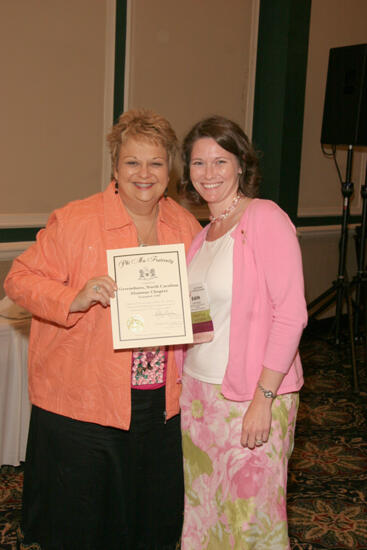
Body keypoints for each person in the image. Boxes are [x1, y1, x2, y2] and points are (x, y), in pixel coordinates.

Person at [4, 108, 202, 550]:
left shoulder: (185, 225)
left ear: (169, 168)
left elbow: (198, 303)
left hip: (160, 402)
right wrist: (72, 298)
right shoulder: (75, 221)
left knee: (149, 521)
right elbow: (18, 279)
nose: (144, 174)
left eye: (155, 162)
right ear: (115, 167)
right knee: (83, 524)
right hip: (84, 405)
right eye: (132, 162)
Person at [176, 115, 308, 549]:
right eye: (198, 163)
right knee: (205, 510)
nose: (208, 173)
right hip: (200, 398)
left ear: (240, 164)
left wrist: (263, 399)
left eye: (220, 161)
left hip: (250, 398)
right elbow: (202, 318)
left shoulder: (265, 218)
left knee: (250, 518)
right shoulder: (204, 235)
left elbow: (291, 315)